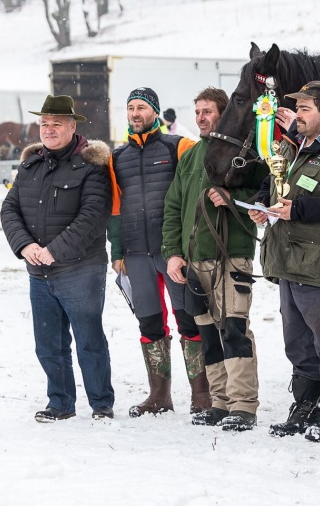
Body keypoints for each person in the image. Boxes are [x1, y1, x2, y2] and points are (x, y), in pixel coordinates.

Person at [250, 81, 320, 443]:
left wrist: (295, 210)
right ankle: (305, 407)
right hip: (286, 259)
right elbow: (275, 185)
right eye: (296, 109)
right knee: (296, 341)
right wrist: (260, 205)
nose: (297, 115)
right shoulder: (287, 146)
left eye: (305, 109)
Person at [0, 95, 115, 423]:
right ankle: (60, 402)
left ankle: (101, 404)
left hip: (81, 269)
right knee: (48, 344)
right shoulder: (30, 164)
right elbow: (10, 208)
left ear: (72, 126)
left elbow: (93, 216)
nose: (49, 130)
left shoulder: (91, 165)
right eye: (44, 124)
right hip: (39, 272)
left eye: (56, 124)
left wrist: (54, 250)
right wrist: (25, 246)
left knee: (89, 340)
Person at [162, 87, 268, 431]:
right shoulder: (191, 156)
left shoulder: (246, 154)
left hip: (232, 256)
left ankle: (243, 405)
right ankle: (220, 402)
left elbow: (266, 193)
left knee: (235, 329)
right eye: (197, 112)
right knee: (207, 333)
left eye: (208, 111)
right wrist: (174, 254)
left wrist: (233, 197)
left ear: (224, 115)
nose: (201, 118)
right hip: (195, 259)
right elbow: (173, 207)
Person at [107, 87, 205, 418]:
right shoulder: (118, 157)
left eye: (142, 108)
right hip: (136, 253)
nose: (135, 113)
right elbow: (115, 209)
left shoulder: (179, 147)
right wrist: (116, 251)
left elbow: (193, 197)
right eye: (130, 107)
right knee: (149, 324)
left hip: (173, 251)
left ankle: (202, 395)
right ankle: (159, 395)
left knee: (189, 319)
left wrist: (187, 246)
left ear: (155, 112)